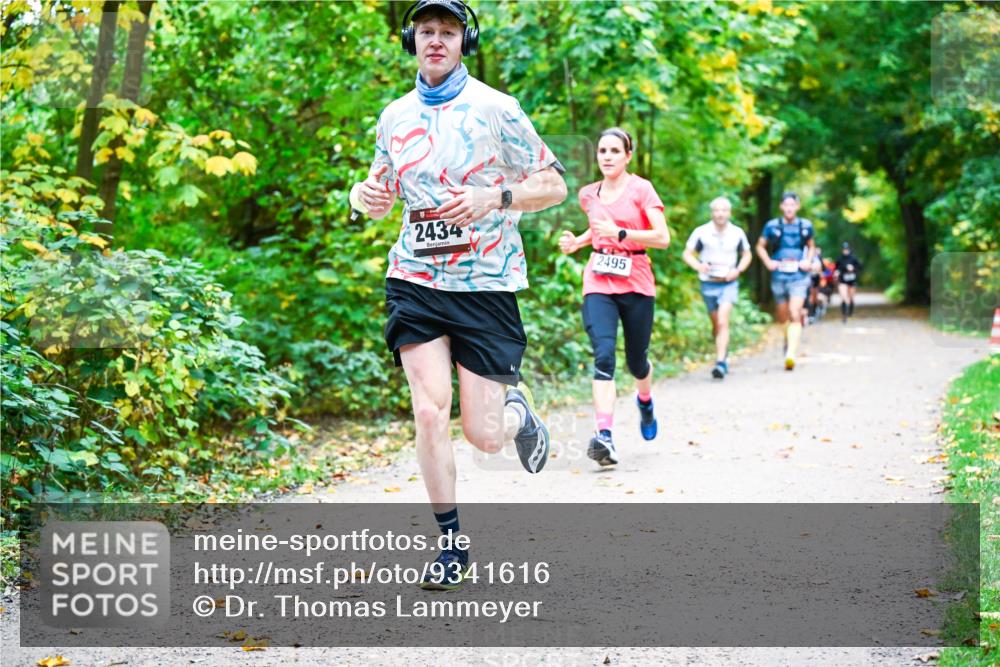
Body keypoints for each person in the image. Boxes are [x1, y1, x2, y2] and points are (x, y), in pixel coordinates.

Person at [354, 0, 567, 590]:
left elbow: (553, 185)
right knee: (428, 412)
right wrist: (361, 198)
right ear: (412, 41)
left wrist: (495, 199)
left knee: (484, 437)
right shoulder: (393, 116)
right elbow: (380, 184)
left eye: (448, 32)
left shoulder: (499, 109)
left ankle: (516, 412)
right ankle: (450, 544)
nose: (437, 41)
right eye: (427, 32)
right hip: (415, 278)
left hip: (486, 282)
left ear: (464, 40)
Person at [558, 128, 670, 466]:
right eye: (602, 151)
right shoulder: (588, 194)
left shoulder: (641, 189)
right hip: (599, 281)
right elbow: (598, 225)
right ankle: (604, 436)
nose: (606, 156)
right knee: (604, 355)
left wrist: (622, 233)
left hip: (636, 280)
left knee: (637, 361)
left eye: (614, 151)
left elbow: (662, 237)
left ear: (627, 156)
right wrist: (578, 242)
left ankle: (645, 401)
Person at [682, 196, 752, 379]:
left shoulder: (737, 233)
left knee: (722, 320)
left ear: (729, 213)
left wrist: (738, 270)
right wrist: (698, 266)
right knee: (716, 325)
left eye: (724, 210)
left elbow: (747, 254)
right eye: (717, 210)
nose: (720, 214)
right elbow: (687, 253)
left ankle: (720, 362)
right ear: (712, 213)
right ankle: (723, 350)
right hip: (708, 283)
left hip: (729, 283)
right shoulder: (701, 232)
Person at [755, 192, 816, 370]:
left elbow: (811, 245)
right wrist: (768, 262)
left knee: (795, 312)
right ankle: (788, 340)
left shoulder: (806, 225)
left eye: (792, 205)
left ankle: (791, 353)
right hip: (779, 275)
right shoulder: (772, 226)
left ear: (797, 206)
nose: (789, 208)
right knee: (782, 317)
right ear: (781, 207)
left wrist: (808, 261)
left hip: (798, 275)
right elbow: (760, 246)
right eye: (786, 205)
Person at [835, 242, 863, 323]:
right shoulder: (839, 259)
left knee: (851, 298)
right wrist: (837, 272)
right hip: (842, 280)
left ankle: (850, 313)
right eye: (844, 249)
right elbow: (836, 268)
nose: (845, 251)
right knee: (844, 297)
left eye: (846, 249)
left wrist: (853, 268)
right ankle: (844, 314)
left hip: (852, 280)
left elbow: (860, 266)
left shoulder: (853, 258)